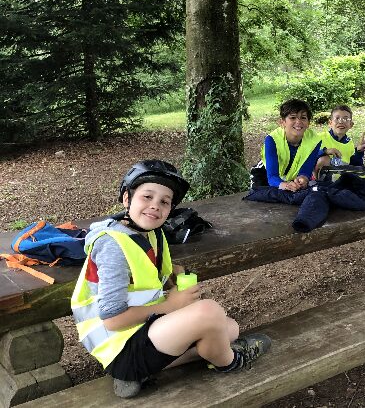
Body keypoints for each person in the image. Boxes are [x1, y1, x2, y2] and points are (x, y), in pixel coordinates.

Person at [71, 160, 271, 398]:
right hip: (119, 347)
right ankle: (230, 361)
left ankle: (142, 372)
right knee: (209, 313)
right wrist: (171, 305)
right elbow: (113, 321)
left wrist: (175, 271)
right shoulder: (113, 246)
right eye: (147, 197)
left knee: (229, 329)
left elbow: (146, 269)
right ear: (127, 198)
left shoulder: (151, 233)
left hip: (143, 332)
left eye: (164, 202)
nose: (155, 206)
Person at [257, 98, 322, 192]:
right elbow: (272, 176)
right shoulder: (272, 140)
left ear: (308, 123)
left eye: (303, 117)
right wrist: (285, 185)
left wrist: (303, 178)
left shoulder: (314, 140)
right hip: (265, 175)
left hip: (291, 180)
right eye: (293, 117)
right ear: (282, 122)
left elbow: (306, 169)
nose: (298, 121)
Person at [316, 105, 365, 170]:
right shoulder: (318, 138)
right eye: (337, 118)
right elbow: (307, 156)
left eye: (345, 119)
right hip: (319, 175)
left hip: (342, 175)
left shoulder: (349, 143)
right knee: (324, 159)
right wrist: (325, 151)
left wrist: (359, 152)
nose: (341, 122)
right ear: (330, 123)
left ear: (351, 125)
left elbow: (355, 166)